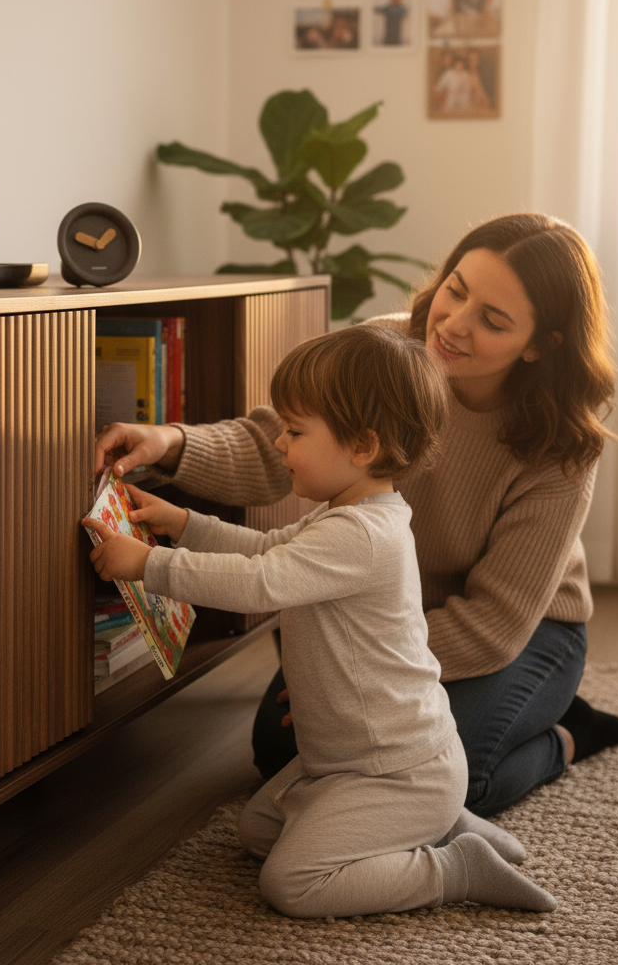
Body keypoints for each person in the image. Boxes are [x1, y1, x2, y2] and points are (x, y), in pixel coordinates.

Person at [94, 212, 618, 821]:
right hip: (370, 614)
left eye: (493, 319)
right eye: (456, 289)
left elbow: (495, 623)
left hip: (524, 633)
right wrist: (168, 442)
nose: (451, 324)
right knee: (282, 753)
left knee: (456, 785)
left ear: (540, 345)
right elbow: (277, 442)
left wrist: (367, 679)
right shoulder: (391, 348)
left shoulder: (561, 445)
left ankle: (566, 734)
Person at [83, 324, 556, 918]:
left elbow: (261, 581)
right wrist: (186, 524)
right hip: (346, 762)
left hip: (395, 770)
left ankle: (452, 866)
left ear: (362, 446)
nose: (279, 442)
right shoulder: (347, 516)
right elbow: (264, 550)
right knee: (257, 831)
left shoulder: (363, 535)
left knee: (293, 883)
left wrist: (152, 564)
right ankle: (442, 822)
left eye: (296, 430)